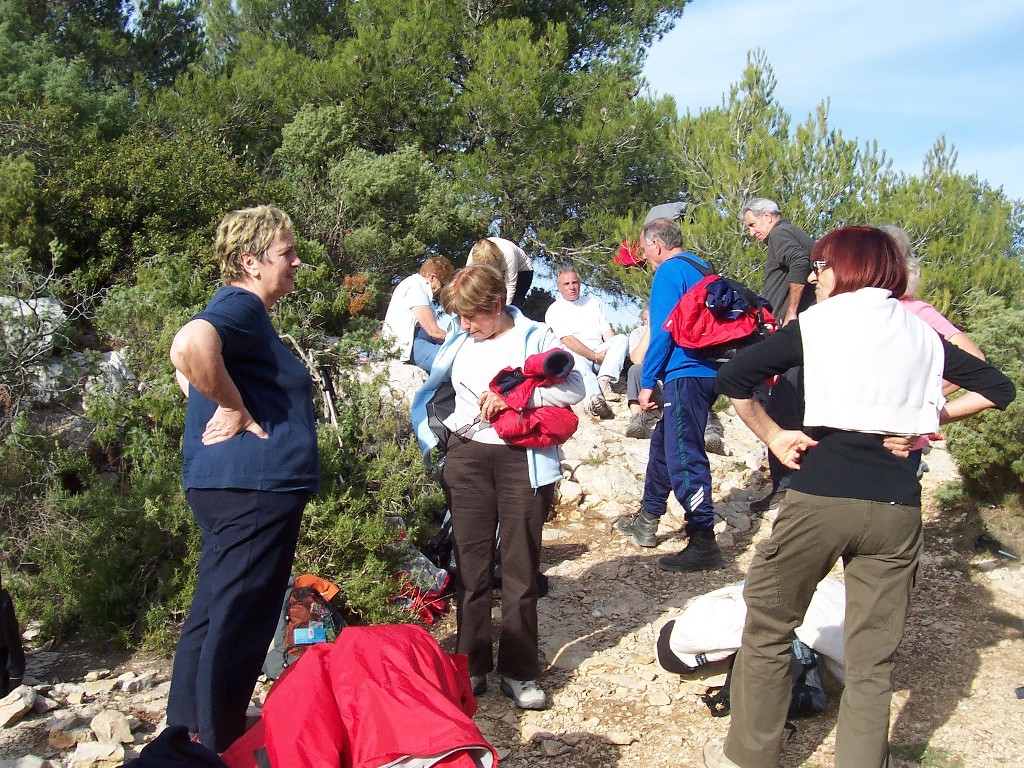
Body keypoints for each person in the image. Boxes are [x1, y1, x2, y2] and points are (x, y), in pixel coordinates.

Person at [703, 226, 1015, 768]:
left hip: (822, 495)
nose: (816, 275)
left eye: (822, 265)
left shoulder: (820, 324)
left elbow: (732, 377)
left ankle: (749, 757)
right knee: (873, 661)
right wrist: (926, 420)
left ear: (848, 270)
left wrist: (775, 436)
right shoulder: (921, 334)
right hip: (897, 504)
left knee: (770, 628)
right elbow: (999, 387)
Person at [167, 205, 321, 752]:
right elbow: (188, 347)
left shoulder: (238, 310)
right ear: (250, 262)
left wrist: (210, 394)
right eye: (286, 254)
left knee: (213, 610)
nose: (297, 262)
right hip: (253, 488)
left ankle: (182, 736)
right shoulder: (242, 305)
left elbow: (177, 356)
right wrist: (232, 407)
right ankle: (215, 744)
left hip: (227, 488)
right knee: (239, 621)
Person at [411, 265, 584, 711]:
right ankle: (470, 666)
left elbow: (575, 388)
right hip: (467, 456)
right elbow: (438, 390)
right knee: (470, 569)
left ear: (495, 304)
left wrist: (518, 395)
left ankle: (520, 671)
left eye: (472, 317)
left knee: (520, 568)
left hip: (519, 459)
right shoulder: (461, 337)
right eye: (460, 318)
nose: (465, 326)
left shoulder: (538, 337)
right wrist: (440, 441)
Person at [613, 218, 723, 572]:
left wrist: (647, 381)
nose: (645, 256)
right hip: (707, 373)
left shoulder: (669, 272)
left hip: (684, 374)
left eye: (645, 249)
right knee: (664, 445)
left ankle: (703, 539)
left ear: (657, 245)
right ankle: (647, 520)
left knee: (684, 455)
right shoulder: (702, 268)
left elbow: (662, 332)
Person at [739, 198, 816, 514]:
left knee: (779, 406)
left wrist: (792, 312)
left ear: (767, 217)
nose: (752, 232)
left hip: (787, 334)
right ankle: (798, 485)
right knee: (797, 405)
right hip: (803, 335)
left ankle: (785, 489)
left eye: (752, 224)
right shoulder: (797, 233)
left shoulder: (781, 234)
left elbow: (799, 263)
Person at [544, 267, 629, 420]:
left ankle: (605, 380)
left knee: (622, 339)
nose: (571, 287)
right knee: (579, 365)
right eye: (567, 284)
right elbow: (567, 340)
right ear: (559, 287)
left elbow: (606, 331)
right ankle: (594, 400)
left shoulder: (592, 303)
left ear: (580, 284)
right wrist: (595, 356)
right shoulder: (555, 309)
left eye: (574, 282)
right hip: (578, 354)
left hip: (599, 353)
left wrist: (612, 352)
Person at [381, 256, 456, 372]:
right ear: (432, 278)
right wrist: (456, 340)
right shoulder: (415, 288)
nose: (441, 291)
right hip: (409, 346)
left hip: (416, 342)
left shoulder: (414, 285)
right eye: (442, 285)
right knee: (453, 362)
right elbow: (434, 332)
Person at [624, 302, 663, 439]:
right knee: (635, 370)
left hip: (668, 385)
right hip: (648, 386)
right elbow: (637, 360)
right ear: (644, 319)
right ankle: (637, 418)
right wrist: (651, 329)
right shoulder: (638, 333)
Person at [467, 236, 534, 308]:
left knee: (514, 304)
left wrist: (505, 309)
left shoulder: (509, 254)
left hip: (522, 272)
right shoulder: (474, 254)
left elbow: (510, 286)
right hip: (500, 271)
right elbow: (468, 281)